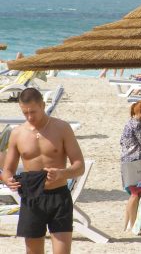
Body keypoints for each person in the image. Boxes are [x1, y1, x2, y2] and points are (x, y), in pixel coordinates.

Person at [2, 87, 85, 254]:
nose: (30, 117)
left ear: (43, 105)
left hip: (58, 196)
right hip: (32, 198)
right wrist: (8, 179)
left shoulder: (62, 128)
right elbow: (7, 170)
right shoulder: (17, 134)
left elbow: (79, 165)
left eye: (33, 111)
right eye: (25, 113)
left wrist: (62, 173)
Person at [120, 100, 141, 231]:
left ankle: (127, 225)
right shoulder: (138, 124)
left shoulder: (129, 122)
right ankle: (134, 226)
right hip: (136, 162)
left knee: (133, 193)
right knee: (136, 194)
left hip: (127, 160)